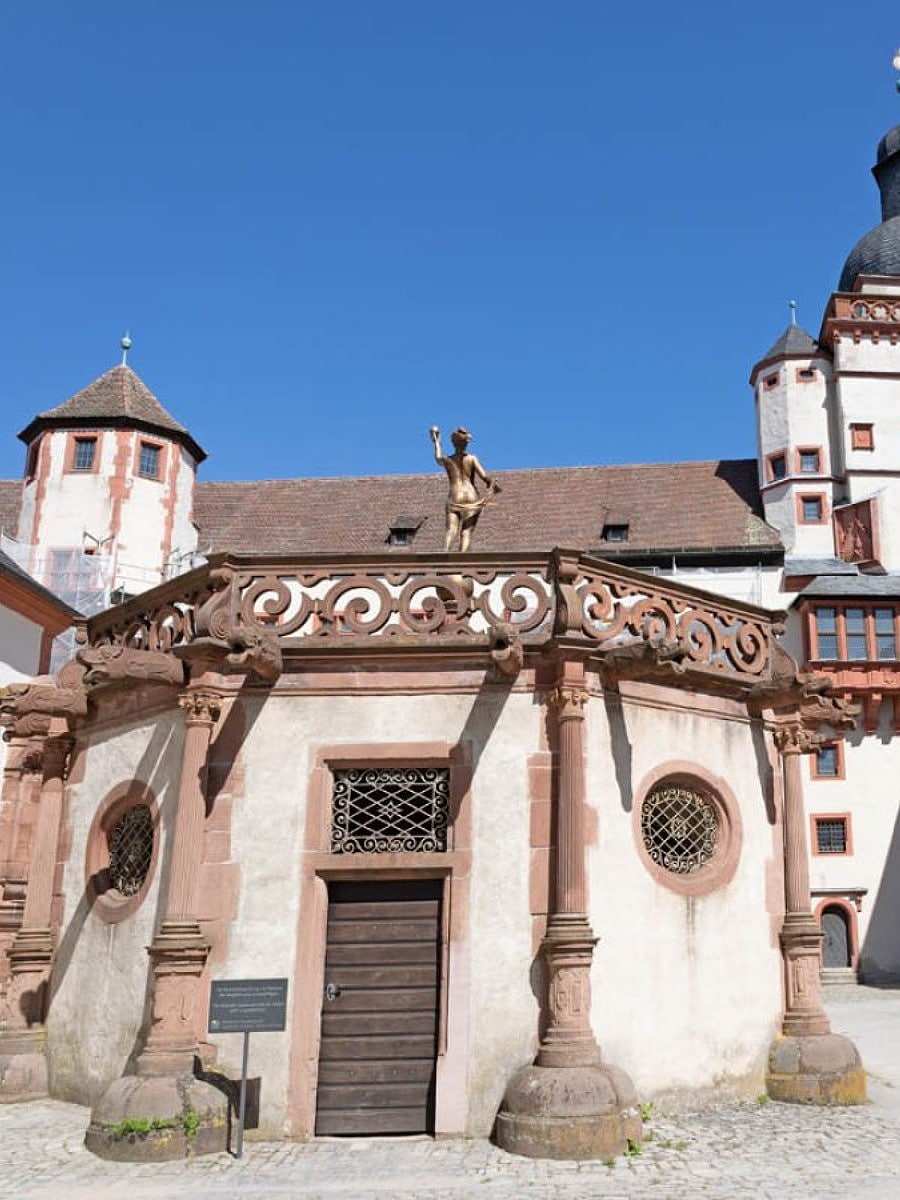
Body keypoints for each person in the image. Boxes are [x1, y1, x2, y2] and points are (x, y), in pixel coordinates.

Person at [429, 426, 501, 552]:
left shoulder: (449, 460)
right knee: (466, 531)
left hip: (455, 495)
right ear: (466, 443)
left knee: (451, 529)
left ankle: (444, 556)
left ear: (453, 443)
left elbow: (438, 458)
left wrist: (436, 441)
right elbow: (484, 476)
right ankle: (462, 560)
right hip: (471, 496)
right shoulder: (472, 459)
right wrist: (494, 485)